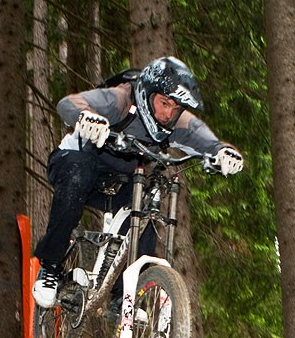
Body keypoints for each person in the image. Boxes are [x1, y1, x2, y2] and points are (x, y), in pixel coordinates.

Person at [32, 56, 244, 308]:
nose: (168, 113)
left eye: (175, 108)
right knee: (80, 172)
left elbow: (205, 139)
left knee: (148, 205)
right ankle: (51, 267)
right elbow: (69, 102)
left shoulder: (175, 122)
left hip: (120, 181)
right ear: (148, 93)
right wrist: (86, 117)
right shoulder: (120, 100)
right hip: (73, 164)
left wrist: (222, 152)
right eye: (164, 103)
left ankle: (123, 298)